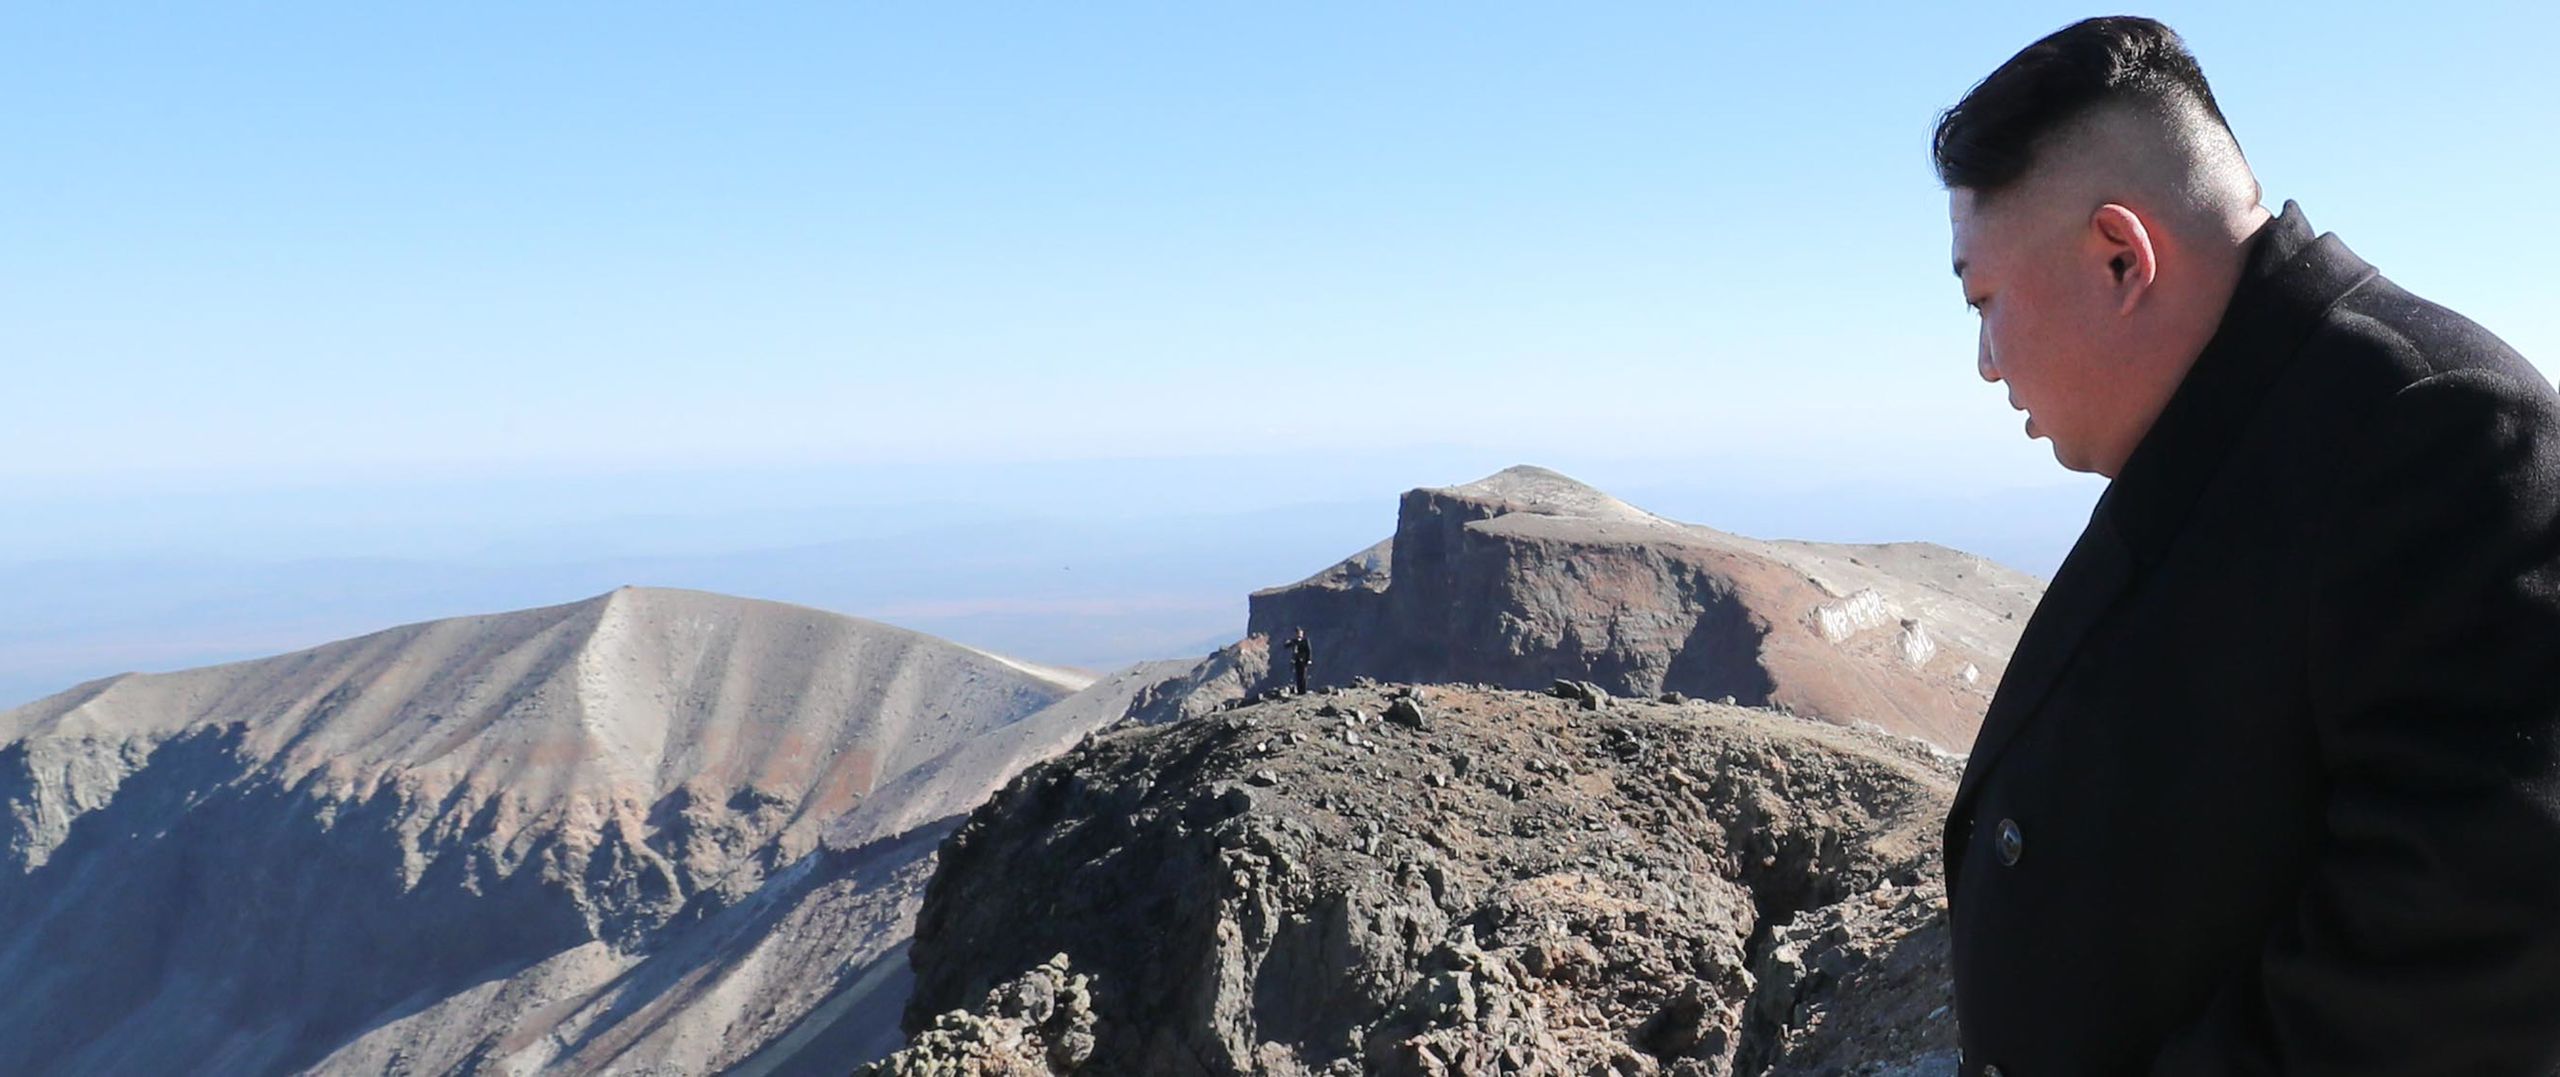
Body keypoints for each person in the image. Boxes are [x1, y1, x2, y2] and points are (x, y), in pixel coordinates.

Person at [1936, 16, 2560, 1074]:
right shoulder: (2221, 416)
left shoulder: (2434, 429)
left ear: (2120, 257)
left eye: (1985, 300)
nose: (1986, 363)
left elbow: (2461, 968)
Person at [1285, 628, 1312, 695]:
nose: (1298, 635)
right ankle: (1299, 690)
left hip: (1304, 660)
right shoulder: (1294, 641)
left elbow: (1308, 650)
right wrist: (1287, 642)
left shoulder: (1305, 641)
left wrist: (1309, 659)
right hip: (1296, 660)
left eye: (1300, 633)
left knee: (1303, 675)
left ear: (1302, 634)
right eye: (1297, 633)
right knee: (1298, 675)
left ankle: (1303, 690)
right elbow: (1287, 646)